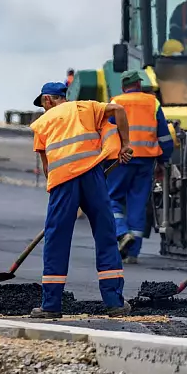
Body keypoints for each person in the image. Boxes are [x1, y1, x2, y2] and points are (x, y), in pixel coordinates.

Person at [29, 81, 134, 318]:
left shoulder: (42, 124)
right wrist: (126, 144)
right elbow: (118, 110)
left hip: (63, 182)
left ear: (48, 100)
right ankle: (115, 302)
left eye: (44, 104)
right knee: (106, 235)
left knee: (56, 240)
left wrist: (62, 201)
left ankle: (51, 305)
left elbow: (47, 168)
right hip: (93, 176)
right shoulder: (86, 107)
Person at [102, 71, 174, 264]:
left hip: (121, 160)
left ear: (124, 86)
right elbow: (165, 136)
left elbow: (107, 133)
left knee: (111, 198)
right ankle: (133, 253)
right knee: (138, 204)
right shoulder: (153, 102)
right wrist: (164, 159)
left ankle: (121, 232)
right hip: (146, 161)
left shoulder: (115, 101)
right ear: (138, 85)